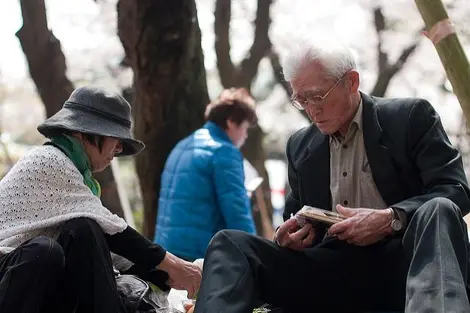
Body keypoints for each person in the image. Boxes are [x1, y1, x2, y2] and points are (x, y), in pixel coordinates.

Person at [193, 40, 470, 313]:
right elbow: (295, 218)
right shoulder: (301, 145)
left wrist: (391, 219)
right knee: (229, 243)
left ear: (351, 82)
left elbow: (455, 189)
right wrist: (287, 237)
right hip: (334, 271)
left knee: (439, 208)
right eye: (301, 101)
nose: (312, 110)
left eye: (317, 96)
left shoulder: (409, 117)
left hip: (409, 267)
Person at [0, 86, 201, 313]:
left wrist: (166, 276)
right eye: (116, 139)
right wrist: (174, 265)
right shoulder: (49, 160)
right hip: (7, 277)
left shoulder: (76, 175)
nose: (119, 148)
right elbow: (116, 232)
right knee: (48, 250)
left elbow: (105, 250)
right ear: (84, 132)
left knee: (83, 230)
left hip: (30, 285)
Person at [154, 88, 257, 261]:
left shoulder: (182, 145)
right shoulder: (224, 152)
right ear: (231, 122)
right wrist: (255, 255)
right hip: (199, 254)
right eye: (245, 128)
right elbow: (237, 213)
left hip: (166, 250)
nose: (245, 136)